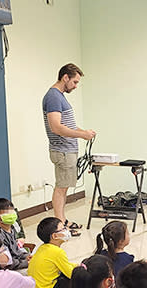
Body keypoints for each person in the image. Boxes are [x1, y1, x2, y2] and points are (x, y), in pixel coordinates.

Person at [43, 63, 96, 235]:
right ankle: (60, 225)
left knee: (64, 187)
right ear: (65, 77)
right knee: (61, 188)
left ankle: (62, 220)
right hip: (62, 150)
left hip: (67, 150)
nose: (75, 86)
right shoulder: (53, 97)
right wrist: (81, 135)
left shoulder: (59, 97)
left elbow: (68, 125)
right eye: (74, 82)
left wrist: (84, 132)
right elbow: (56, 127)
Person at [28, 217, 75, 288]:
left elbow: (63, 264)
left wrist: (76, 265)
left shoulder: (43, 247)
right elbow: (71, 273)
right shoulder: (57, 252)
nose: (67, 230)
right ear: (54, 236)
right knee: (70, 280)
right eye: (63, 228)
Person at [95, 220, 134, 288]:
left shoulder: (100, 254)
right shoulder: (127, 259)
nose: (129, 235)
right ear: (120, 241)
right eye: (127, 233)